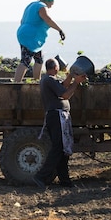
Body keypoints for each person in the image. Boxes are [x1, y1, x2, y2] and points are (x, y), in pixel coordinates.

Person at [32, 58, 87, 189]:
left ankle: (65, 180)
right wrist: (76, 83)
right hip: (57, 115)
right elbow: (65, 94)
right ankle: (41, 176)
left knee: (62, 149)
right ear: (55, 68)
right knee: (59, 147)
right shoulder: (49, 79)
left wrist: (71, 77)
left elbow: (62, 86)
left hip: (57, 116)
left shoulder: (49, 80)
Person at [14, 0, 66, 82]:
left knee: (39, 59)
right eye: (51, 4)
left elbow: (22, 20)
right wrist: (60, 30)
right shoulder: (42, 6)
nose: (50, 7)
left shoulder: (31, 5)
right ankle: (16, 84)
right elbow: (47, 19)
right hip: (31, 37)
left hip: (25, 34)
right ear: (47, 1)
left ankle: (37, 81)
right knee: (26, 60)